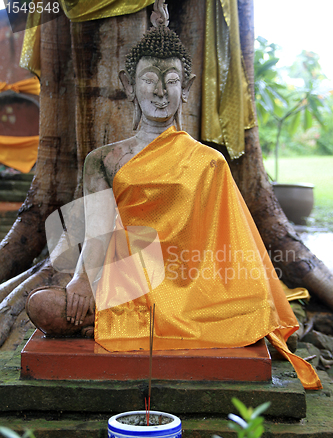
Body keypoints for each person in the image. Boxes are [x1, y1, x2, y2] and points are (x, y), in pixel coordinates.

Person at [26, 22, 322, 390]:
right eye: (149, 79)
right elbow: (99, 234)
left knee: (271, 327)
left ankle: (115, 326)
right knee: (41, 306)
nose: (161, 91)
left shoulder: (209, 161)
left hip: (190, 290)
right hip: (126, 285)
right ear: (128, 84)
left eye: (172, 80)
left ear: (187, 87)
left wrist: (249, 297)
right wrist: (81, 280)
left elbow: (229, 244)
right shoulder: (104, 160)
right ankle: (117, 320)